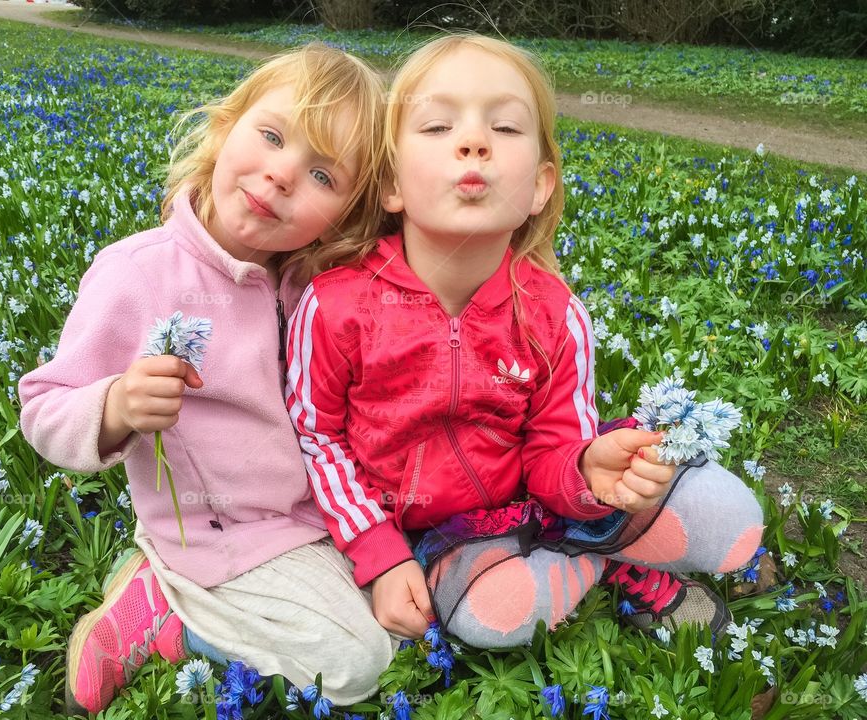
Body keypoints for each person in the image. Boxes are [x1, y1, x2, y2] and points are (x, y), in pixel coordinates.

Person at [285, 34, 765, 649]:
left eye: (506, 128)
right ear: (390, 185)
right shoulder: (335, 306)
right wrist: (378, 552)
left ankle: (597, 534)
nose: (474, 141)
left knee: (731, 517)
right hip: (437, 537)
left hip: (537, 503)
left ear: (539, 186)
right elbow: (317, 441)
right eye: (437, 125)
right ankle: (606, 557)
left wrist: (590, 470)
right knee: (493, 618)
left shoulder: (553, 314)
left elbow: (554, 454)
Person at [19, 44, 394, 714]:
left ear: (347, 214)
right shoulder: (141, 271)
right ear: (225, 126)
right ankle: (165, 610)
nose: (281, 175)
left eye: (322, 176)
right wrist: (116, 405)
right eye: (273, 136)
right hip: (215, 537)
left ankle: (201, 601)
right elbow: (44, 407)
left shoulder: (309, 282)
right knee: (358, 665)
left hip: (308, 520)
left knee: (405, 612)